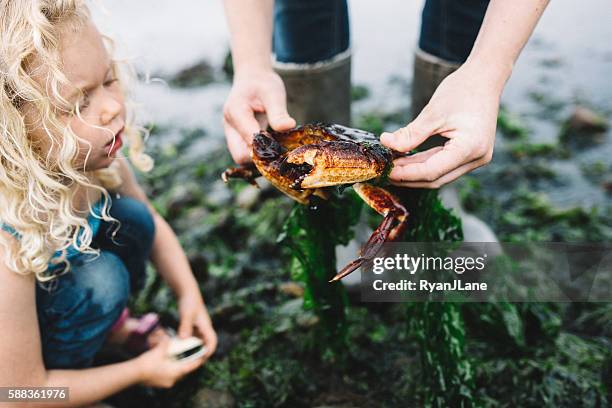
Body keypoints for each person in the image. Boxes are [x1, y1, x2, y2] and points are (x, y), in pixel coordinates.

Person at [0, 1, 217, 406]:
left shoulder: (95, 161)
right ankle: (79, 379)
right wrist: (141, 371)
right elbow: (14, 393)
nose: (113, 106)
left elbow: (150, 219)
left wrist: (189, 294)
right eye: (79, 103)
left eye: (109, 79)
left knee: (132, 219)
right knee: (103, 279)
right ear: (14, 129)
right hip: (21, 378)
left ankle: (109, 335)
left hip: (60, 305)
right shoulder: (8, 237)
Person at [222, 0, 549, 188]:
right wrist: (251, 65)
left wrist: (486, 72)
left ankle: (437, 179)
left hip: (373, 155)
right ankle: (321, 208)